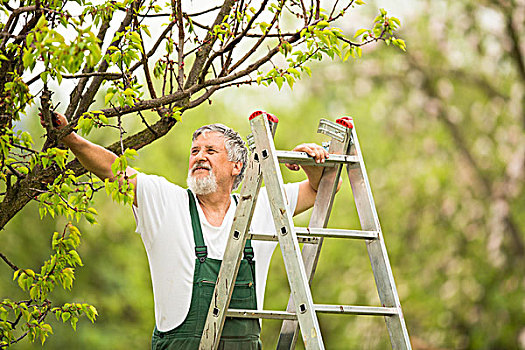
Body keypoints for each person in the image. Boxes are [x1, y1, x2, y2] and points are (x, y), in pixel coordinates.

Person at [48, 113, 330, 349]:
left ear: (237, 167)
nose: (199, 157)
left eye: (210, 151)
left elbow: (323, 189)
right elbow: (113, 170)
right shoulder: (166, 201)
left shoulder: (260, 208)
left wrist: (309, 161)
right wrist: (70, 138)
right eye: (194, 151)